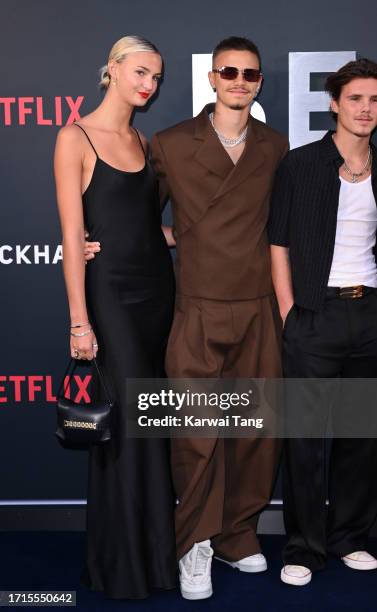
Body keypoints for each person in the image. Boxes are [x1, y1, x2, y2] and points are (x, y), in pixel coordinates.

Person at [54, 35, 177, 599]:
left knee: (151, 424)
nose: (149, 84)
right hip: (111, 300)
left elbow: (145, 224)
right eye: (140, 72)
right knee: (124, 428)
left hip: (158, 295)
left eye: (156, 76)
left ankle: (155, 558)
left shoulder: (143, 141)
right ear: (113, 69)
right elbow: (72, 240)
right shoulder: (74, 137)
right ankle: (121, 566)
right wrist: (80, 321)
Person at [268, 58, 377, 586]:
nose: (365, 109)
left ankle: (348, 537)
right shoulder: (301, 164)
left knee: (360, 438)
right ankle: (303, 548)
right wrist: (290, 312)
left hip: (370, 315)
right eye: (355, 98)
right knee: (305, 440)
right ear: (334, 104)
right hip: (314, 314)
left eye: (374, 100)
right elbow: (278, 243)